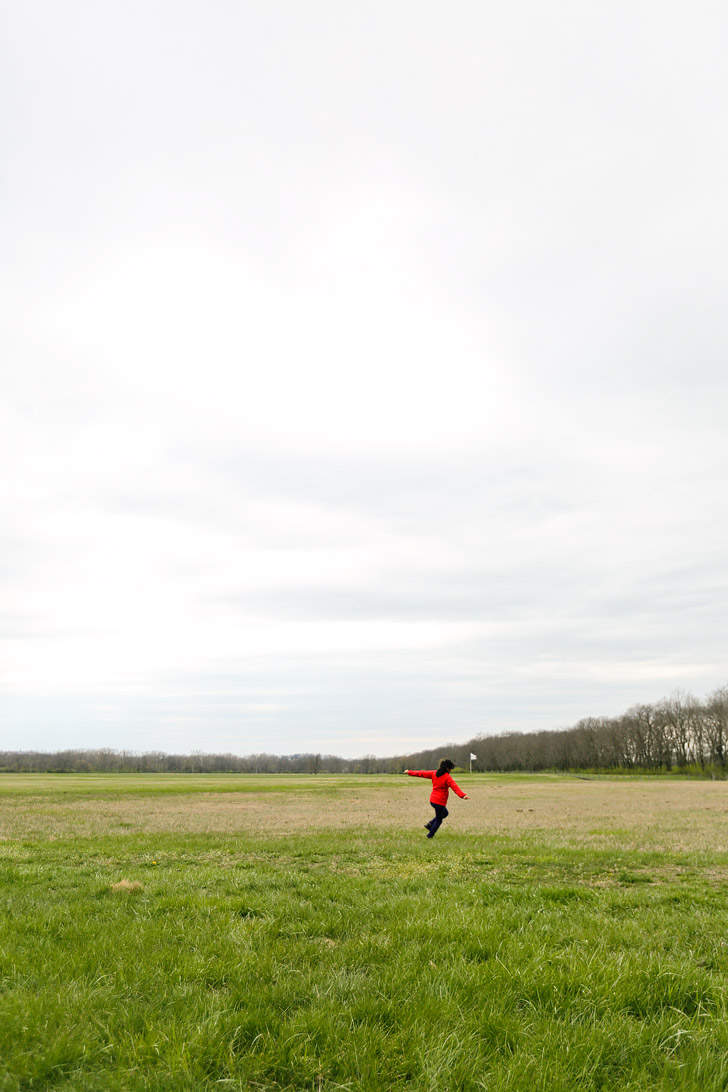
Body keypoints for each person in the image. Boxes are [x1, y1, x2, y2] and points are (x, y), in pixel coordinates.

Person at [404, 759, 468, 837]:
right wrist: (463, 795)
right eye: (450, 769)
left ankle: (430, 824)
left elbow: (421, 773)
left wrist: (409, 772)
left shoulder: (434, 773)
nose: (451, 770)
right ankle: (430, 835)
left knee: (445, 813)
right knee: (439, 820)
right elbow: (455, 787)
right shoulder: (447, 777)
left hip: (433, 800)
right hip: (439, 802)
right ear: (447, 768)